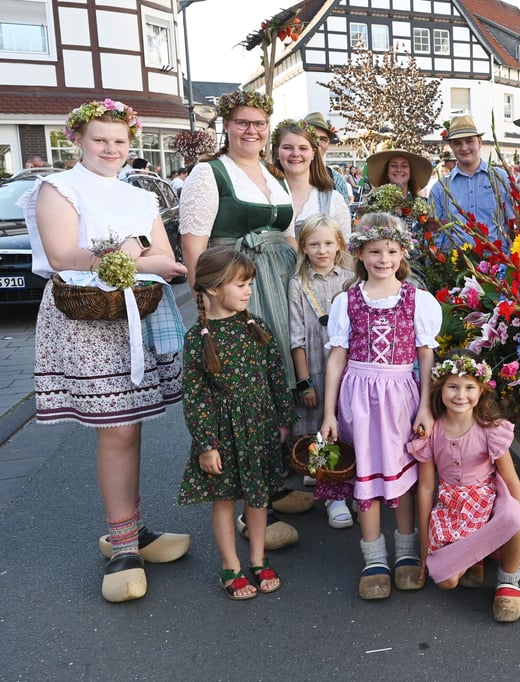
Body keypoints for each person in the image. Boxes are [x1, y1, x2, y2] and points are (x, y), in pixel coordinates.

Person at [22, 98, 191, 602]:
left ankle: (132, 530)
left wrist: (133, 253)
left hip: (133, 315)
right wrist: (129, 252)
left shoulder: (137, 194)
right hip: (88, 319)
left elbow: (165, 254)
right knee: (117, 430)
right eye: (100, 139)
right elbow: (63, 255)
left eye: (119, 141)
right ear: (77, 138)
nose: (111, 149)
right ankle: (122, 544)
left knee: (131, 425)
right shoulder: (58, 188)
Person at [179, 89, 312, 549]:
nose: (251, 130)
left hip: (275, 282)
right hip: (236, 283)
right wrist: (206, 301)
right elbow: (194, 243)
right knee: (240, 381)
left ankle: (270, 485)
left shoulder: (273, 174)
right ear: (228, 126)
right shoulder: (208, 173)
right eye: (242, 122)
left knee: (272, 375)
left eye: (259, 123)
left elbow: (288, 234)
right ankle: (245, 502)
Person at [320, 213, 442, 600]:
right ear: (360, 254)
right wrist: (327, 413)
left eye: (391, 250)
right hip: (358, 396)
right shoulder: (347, 300)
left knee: (402, 477)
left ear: (402, 251)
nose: (383, 259)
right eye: (374, 251)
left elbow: (426, 356)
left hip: (401, 396)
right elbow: (337, 358)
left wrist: (425, 405)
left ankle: (406, 550)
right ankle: (373, 556)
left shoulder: (417, 300)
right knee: (366, 476)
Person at [178, 248, 293, 600]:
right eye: (240, 284)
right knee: (224, 499)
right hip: (223, 433)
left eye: (250, 284)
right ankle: (230, 565)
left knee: (258, 498)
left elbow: (276, 374)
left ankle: (258, 559)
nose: (248, 291)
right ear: (212, 289)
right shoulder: (198, 338)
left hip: (258, 426)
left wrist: (283, 418)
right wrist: (206, 444)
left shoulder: (255, 326)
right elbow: (194, 396)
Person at [408, 353, 520, 623]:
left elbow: (511, 481)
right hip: (452, 507)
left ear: (481, 389)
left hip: (487, 500)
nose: (460, 395)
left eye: (469, 387)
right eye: (453, 386)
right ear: (440, 388)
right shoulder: (431, 432)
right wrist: (424, 547)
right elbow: (427, 487)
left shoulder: (490, 428)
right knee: (447, 581)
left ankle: (509, 580)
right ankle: (474, 557)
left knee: (511, 515)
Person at [287, 213, 355, 529]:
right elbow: (296, 336)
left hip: (349, 367)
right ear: (304, 247)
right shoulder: (298, 284)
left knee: (346, 423)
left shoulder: (351, 278)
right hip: (316, 365)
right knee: (320, 427)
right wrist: (303, 381)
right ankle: (331, 493)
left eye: (328, 243)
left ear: (339, 244)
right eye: (314, 244)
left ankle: (345, 479)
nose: (322, 250)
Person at [429, 115, 513, 249]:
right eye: (457, 143)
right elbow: (434, 234)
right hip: (456, 265)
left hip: (499, 264)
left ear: (479, 142)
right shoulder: (440, 188)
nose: (464, 148)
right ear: (451, 146)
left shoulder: (500, 178)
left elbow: (514, 224)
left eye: (469, 141)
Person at [271, 118, 352, 243]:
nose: (295, 154)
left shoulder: (333, 200)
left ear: (313, 153)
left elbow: (344, 250)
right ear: (276, 151)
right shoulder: (265, 194)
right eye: (287, 148)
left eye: (303, 148)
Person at [302, 112, 350, 198]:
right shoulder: (288, 175)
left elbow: (344, 210)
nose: (317, 143)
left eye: (323, 139)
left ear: (328, 144)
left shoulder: (336, 179)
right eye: (312, 137)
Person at [364, 147, 433, 198]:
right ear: (387, 172)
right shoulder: (372, 204)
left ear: (410, 173)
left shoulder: (423, 206)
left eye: (404, 166)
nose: (399, 169)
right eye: (394, 165)